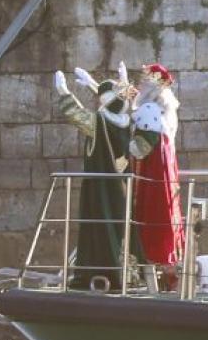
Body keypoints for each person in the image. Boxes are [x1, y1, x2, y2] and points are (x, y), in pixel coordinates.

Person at [53, 64, 151, 290]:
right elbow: (118, 100)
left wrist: (63, 91)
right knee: (123, 226)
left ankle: (99, 274)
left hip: (100, 189)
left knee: (99, 226)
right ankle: (130, 274)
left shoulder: (99, 123)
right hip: (122, 186)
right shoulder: (126, 121)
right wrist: (92, 84)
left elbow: (75, 114)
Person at [128, 63, 185, 277]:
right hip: (163, 171)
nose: (140, 84)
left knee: (152, 213)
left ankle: (155, 264)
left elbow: (139, 149)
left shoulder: (149, 110)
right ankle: (166, 266)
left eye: (145, 80)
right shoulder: (163, 110)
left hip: (152, 172)